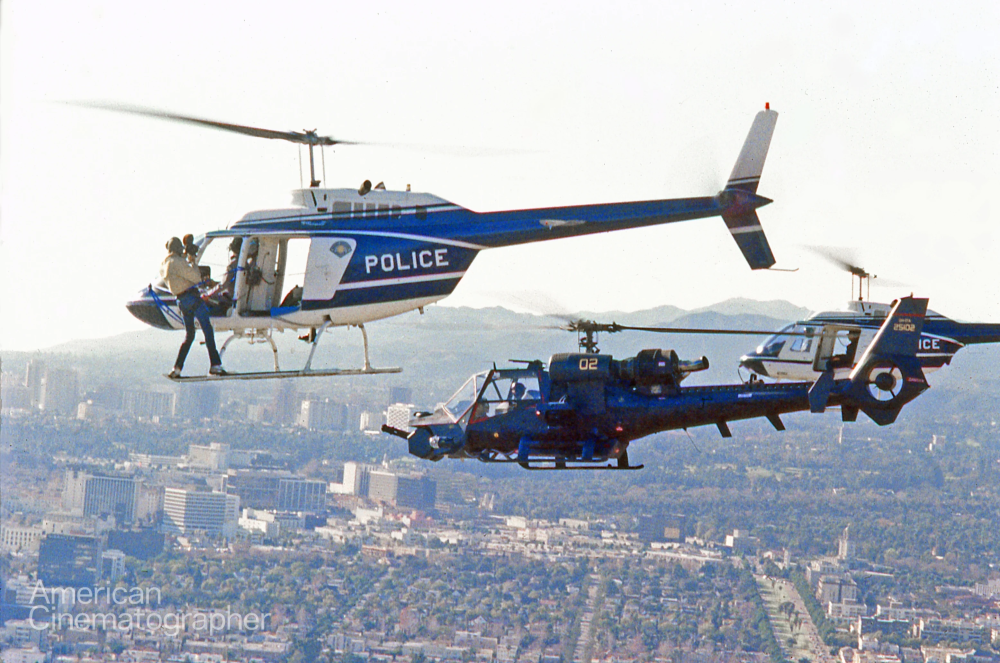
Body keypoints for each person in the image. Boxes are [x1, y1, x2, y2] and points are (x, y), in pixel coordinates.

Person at [160, 237, 226, 378]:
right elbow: (196, 277)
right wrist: (193, 262)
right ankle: (215, 365)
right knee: (207, 330)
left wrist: (186, 257)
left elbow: (178, 270)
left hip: (181, 301)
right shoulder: (178, 262)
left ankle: (177, 368)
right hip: (192, 298)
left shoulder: (165, 264)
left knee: (189, 335)